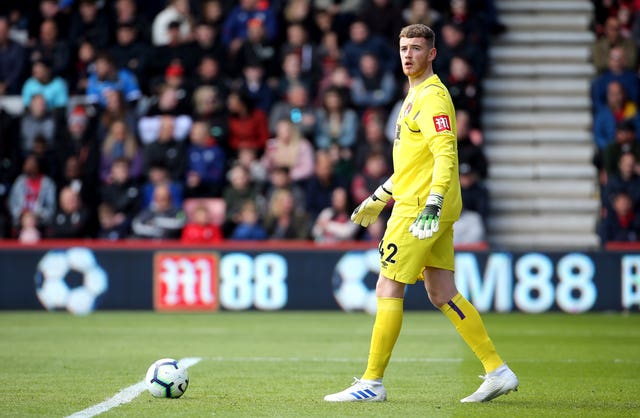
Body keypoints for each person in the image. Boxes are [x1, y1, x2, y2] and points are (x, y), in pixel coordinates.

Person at [324, 24, 518, 404]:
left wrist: (432, 202)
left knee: (387, 285)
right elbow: (415, 163)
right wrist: (379, 196)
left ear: (432, 54)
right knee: (442, 291)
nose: (407, 54)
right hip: (424, 204)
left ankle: (372, 382)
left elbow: (446, 155)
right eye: (402, 48)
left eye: (415, 48)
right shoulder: (413, 94)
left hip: (419, 209)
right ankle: (497, 370)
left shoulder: (431, 97)